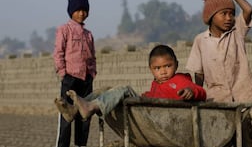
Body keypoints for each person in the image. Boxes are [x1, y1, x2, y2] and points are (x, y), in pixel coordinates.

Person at [186, 0, 252, 147]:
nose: (229, 18)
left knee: (243, 141)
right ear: (211, 17)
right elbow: (199, 73)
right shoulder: (200, 41)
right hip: (216, 99)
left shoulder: (237, 33)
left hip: (241, 97)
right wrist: (197, 96)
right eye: (224, 13)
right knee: (217, 141)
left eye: (231, 13)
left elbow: (249, 9)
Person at [55, 44, 206, 122]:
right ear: (151, 69)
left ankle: (90, 107)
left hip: (160, 118)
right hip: (149, 109)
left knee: (125, 89)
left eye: (168, 66)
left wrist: (192, 92)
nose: (163, 72)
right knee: (107, 90)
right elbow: (151, 95)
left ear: (176, 64)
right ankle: (76, 109)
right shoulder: (156, 84)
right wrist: (143, 96)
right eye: (158, 68)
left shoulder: (180, 80)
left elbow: (200, 91)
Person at [53, 0, 96, 147]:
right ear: (71, 11)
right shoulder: (64, 30)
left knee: (85, 114)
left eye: (84, 10)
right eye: (78, 10)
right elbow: (58, 53)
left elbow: (92, 56)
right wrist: (63, 73)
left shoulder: (88, 34)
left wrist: (92, 73)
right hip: (70, 77)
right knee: (66, 114)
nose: (81, 13)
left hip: (86, 79)